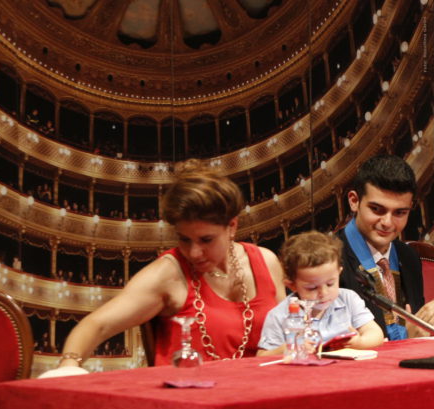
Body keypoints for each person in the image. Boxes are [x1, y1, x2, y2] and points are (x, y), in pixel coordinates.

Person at [39, 161, 285, 377]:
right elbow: (97, 325)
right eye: (184, 239)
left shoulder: (267, 261)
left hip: (262, 395)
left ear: (232, 226)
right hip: (192, 401)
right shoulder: (167, 274)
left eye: (206, 240)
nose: (194, 252)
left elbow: (286, 333)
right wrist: (68, 365)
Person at [337, 155, 434, 339]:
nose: (387, 222)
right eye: (377, 209)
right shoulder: (326, 260)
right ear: (354, 201)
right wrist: (409, 337)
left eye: (399, 212)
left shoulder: (408, 256)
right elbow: (324, 345)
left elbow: (417, 326)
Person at [257, 231, 383, 355]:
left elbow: (375, 333)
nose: (323, 293)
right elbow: (262, 356)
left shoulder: (348, 299)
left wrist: (360, 342)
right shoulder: (279, 315)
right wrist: (289, 347)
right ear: (292, 286)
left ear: (339, 273)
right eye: (312, 288)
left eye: (330, 284)